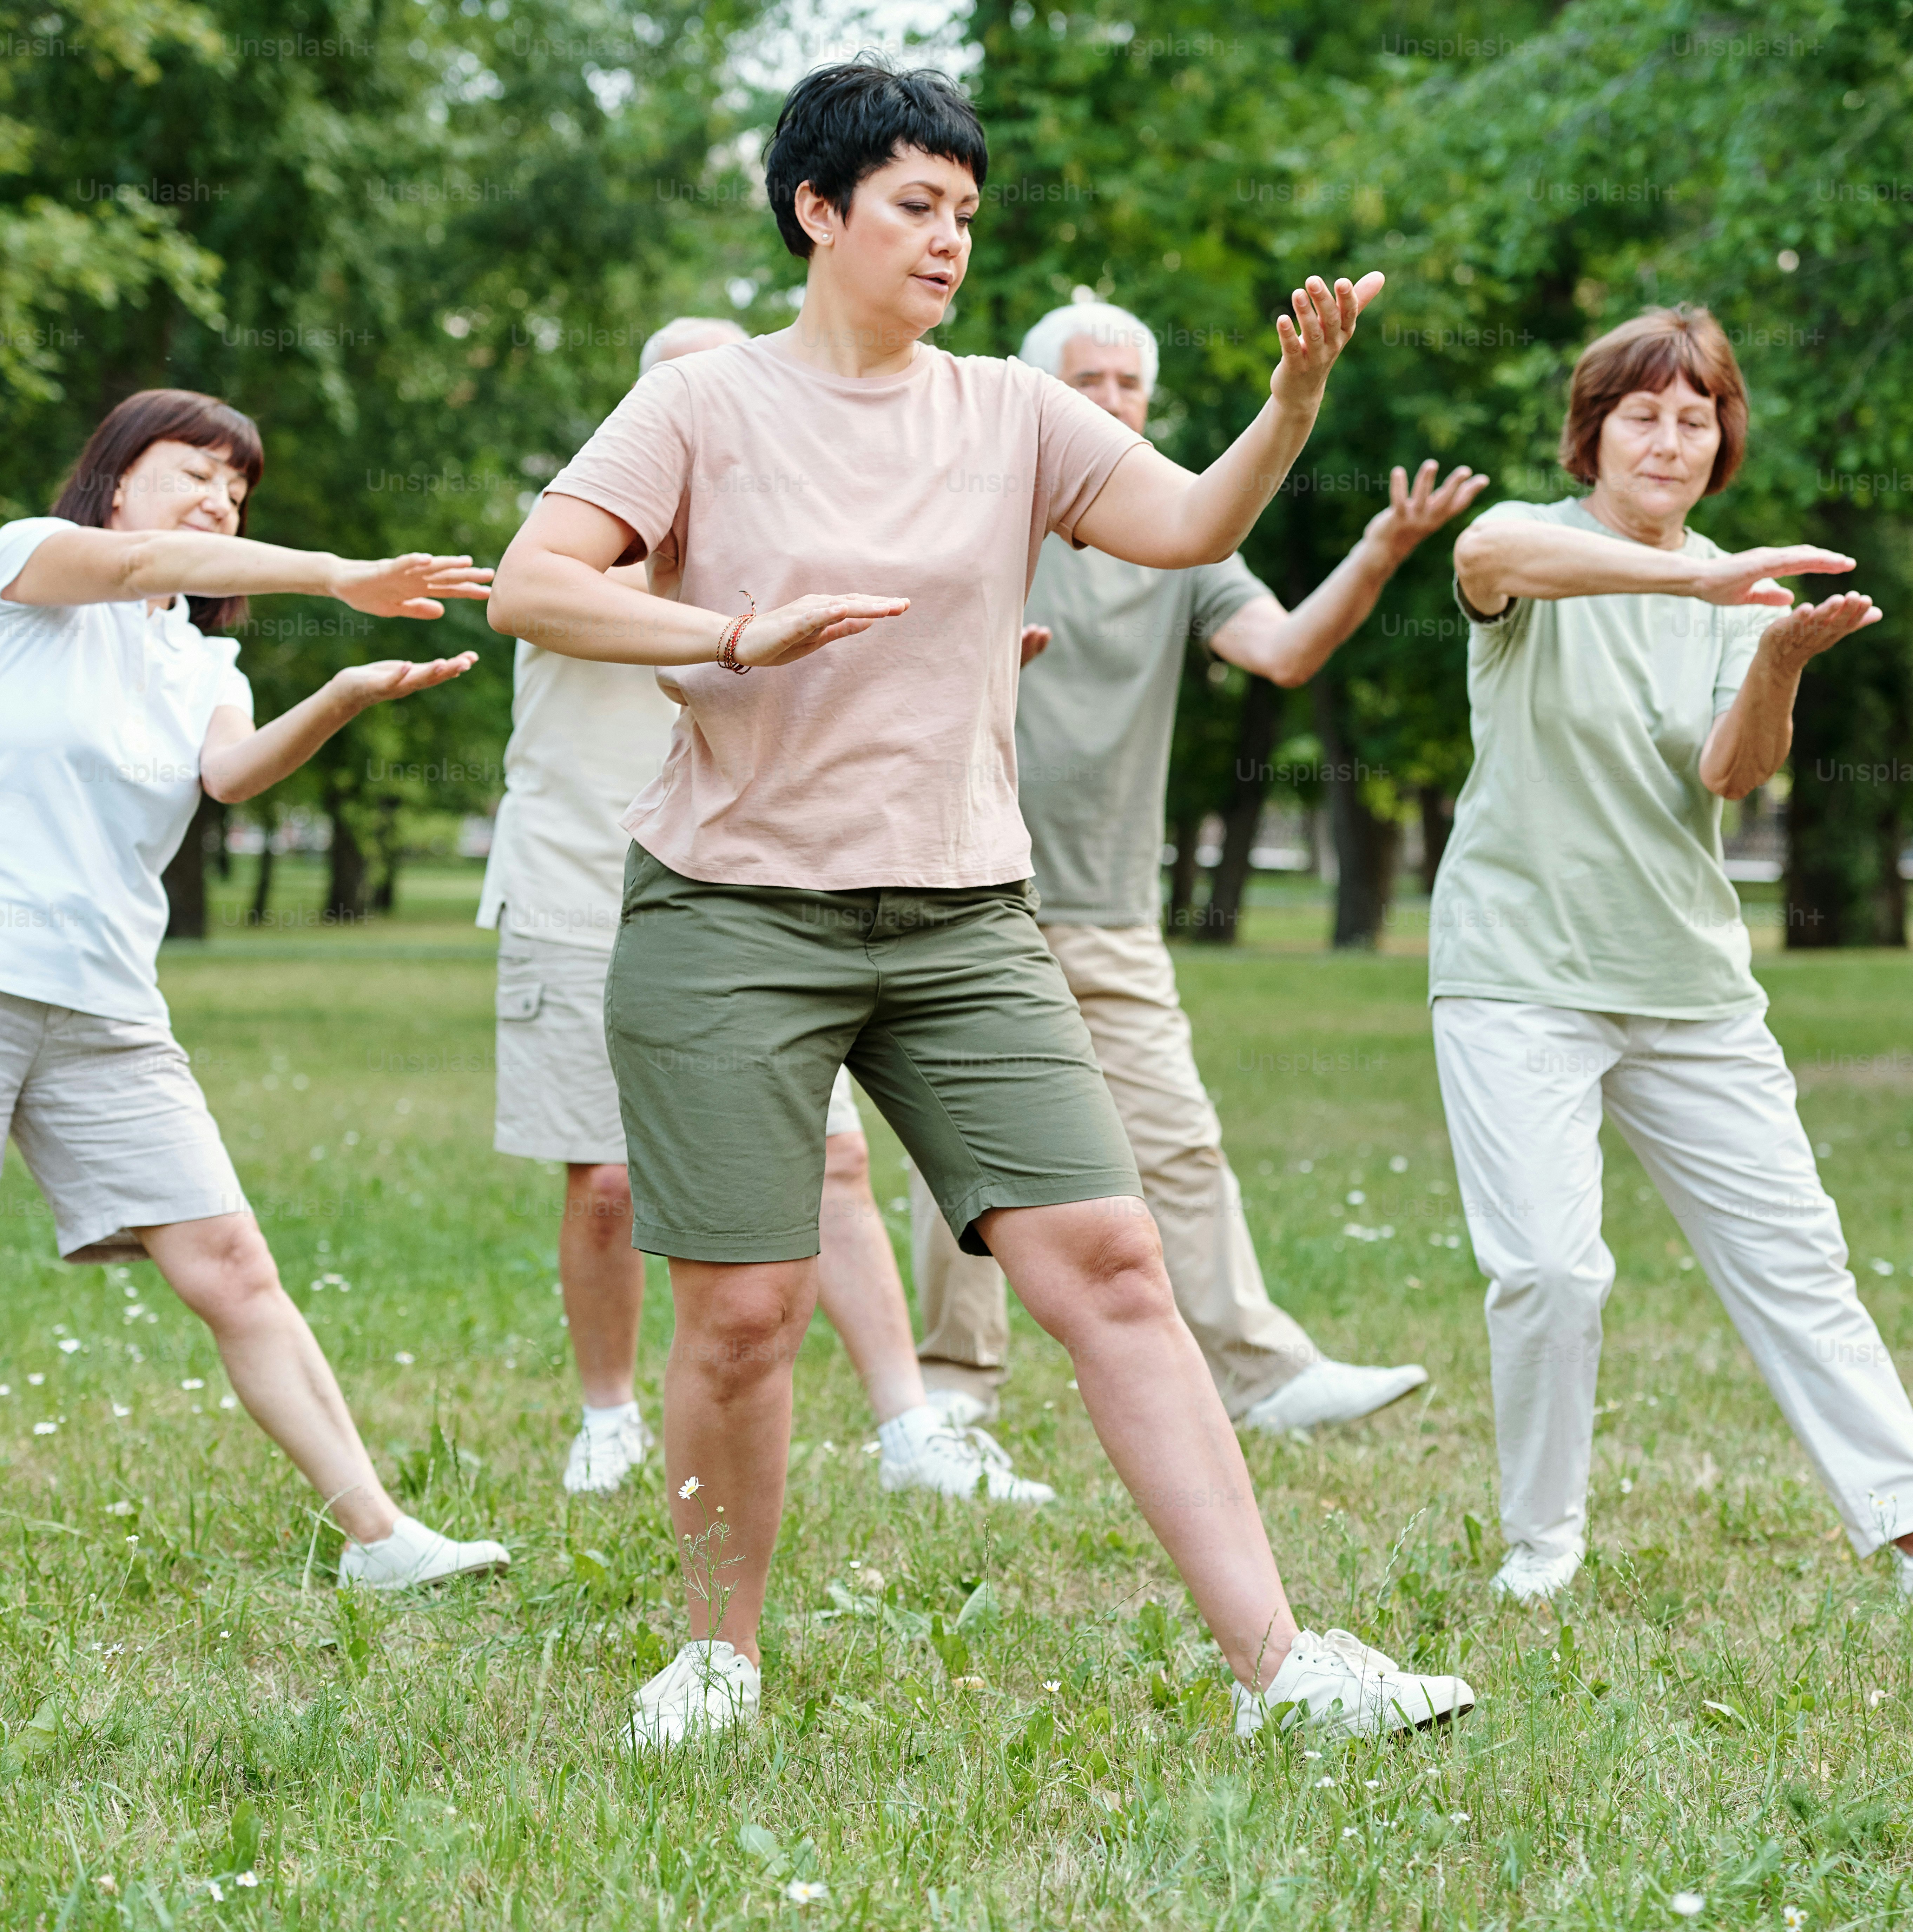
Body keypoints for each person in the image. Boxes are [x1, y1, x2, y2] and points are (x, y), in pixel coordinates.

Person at [487, 60, 1476, 1748]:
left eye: (965, 213)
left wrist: (1291, 406)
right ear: (819, 211)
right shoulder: (707, 405)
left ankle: (1283, 1665)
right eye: (915, 206)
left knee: (1110, 1261)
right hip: (735, 907)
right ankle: (714, 1656)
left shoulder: (1008, 412)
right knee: (744, 1308)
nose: (949, 241)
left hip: (959, 918)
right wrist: (733, 635)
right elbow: (534, 586)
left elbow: (1176, 525)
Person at [1439, 307, 1913, 1610]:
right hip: (1519, 971)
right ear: (1594, 431)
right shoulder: (1539, 550)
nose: (1671, 440)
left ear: (1722, 440)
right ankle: (1544, 1545)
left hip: (1687, 981)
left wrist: (1779, 660)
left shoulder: (1741, 592)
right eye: (1645, 413)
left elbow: (1729, 772)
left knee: (1799, 1261)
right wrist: (1692, 579)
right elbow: (1483, 548)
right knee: (1549, 1269)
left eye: (1698, 418)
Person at [0, 389, 512, 1597]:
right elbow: (143, 560)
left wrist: (346, 693)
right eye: (196, 471)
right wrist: (340, 572)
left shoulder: (204, 661)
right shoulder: (25, 566)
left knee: (233, 1267)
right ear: (118, 475)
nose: (220, 501)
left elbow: (229, 776)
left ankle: (380, 1539)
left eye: (238, 489)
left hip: (103, 1000)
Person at [483, 315, 1051, 1506]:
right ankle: (607, 1415)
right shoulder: (583, 542)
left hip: (764, 889)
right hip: (585, 885)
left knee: (837, 1167)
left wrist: (952, 656)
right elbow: (607, 611)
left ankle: (909, 1427)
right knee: (608, 1180)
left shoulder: (783, 530)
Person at [905, 296, 1487, 1436]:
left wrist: (1379, 551)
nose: (1115, 401)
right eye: (1092, 380)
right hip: (969, 885)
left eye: (1132, 384)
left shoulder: (1177, 539)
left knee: (1177, 1139)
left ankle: (1266, 1375)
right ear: (1040, 394)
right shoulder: (984, 513)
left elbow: (1280, 652)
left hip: (1111, 905)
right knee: (967, 1152)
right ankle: (951, 1390)